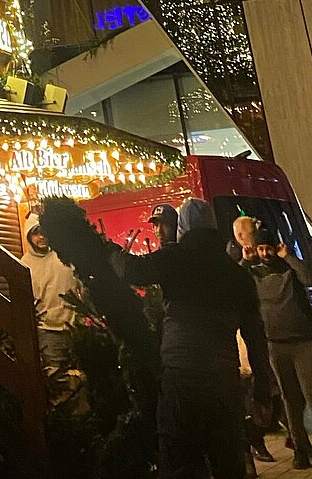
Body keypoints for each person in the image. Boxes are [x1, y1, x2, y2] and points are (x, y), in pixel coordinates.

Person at [116, 196, 272, 479]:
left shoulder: (175, 258)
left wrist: (107, 250)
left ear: (183, 228)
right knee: (227, 461)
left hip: (181, 377)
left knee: (180, 461)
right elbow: (255, 336)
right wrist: (262, 390)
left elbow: (131, 270)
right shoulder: (237, 275)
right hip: (222, 380)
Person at [248, 229, 312, 469]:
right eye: (261, 249)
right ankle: (300, 451)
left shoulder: (289, 269)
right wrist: (243, 260)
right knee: (291, 400)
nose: (265, 253)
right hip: (276, 344)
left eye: (268, 248)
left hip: (304, 342)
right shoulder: (254, 274)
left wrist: (288, 256)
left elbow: (310, 279)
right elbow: (234, 282)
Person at [21, 207, 80, 372]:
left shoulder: (63, 257)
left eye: (44, 232)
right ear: (28, 235)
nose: (41, 237)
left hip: (75, 327)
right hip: (48, 332)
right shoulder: (24, 266)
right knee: (56, 376)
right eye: (36, 233)